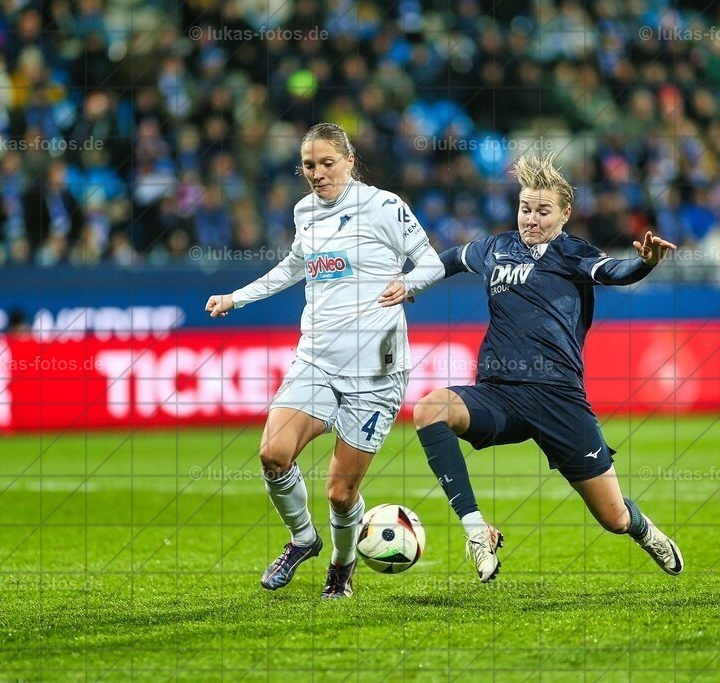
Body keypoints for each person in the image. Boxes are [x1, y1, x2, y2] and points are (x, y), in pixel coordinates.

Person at [397, 153, 683, 583]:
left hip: (559, 398)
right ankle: (477, 532)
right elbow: (453, 258)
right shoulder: (496, 248)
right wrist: (411, 283)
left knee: (613, 518)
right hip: (500, 394)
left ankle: (642, 529)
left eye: (543, 211)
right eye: (525, 208)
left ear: (565, 214)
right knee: (428, 410)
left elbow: (615, 271)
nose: (531, 219)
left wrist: (644, 263)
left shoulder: (574, 254)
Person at [205, 123, 444, 598]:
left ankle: (341, 564)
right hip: (315, 359)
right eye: (309, 165)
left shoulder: (384, 207)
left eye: (327, 163)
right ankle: (302, 539)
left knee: (340, 492)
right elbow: (294, 265)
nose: (317, 173)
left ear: (350, 161)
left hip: (375, 372)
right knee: (273, 454)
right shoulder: (305, 212)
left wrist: (409, 285)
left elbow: (431, 262)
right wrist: (238, 297)